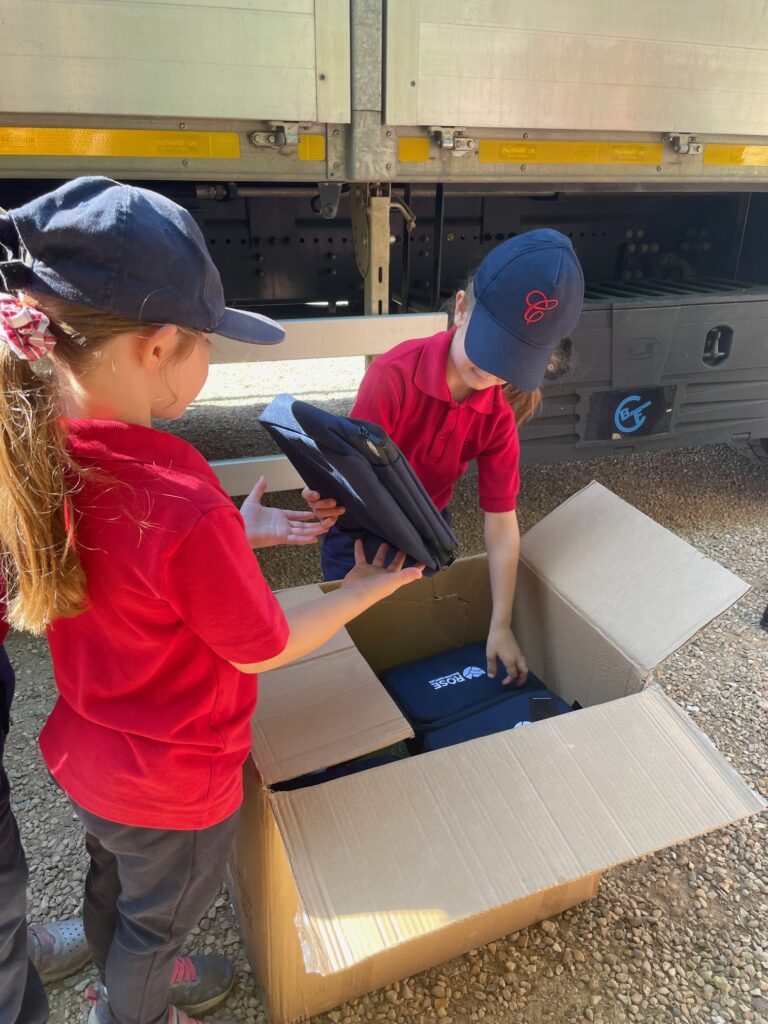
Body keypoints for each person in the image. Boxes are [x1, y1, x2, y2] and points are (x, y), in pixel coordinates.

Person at [0, 176, 422, 1024]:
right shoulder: (180, 493)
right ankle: (134, 1011)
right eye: (207, 347)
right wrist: (362, 590)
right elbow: (261, 644)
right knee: (156, 933)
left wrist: (237, 534)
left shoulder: (40, 448)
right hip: (174, 786)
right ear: (158, 350)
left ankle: (110, 980)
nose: (207, 365)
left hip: (88, 763)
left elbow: (127, 565)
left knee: (111, 884)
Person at [318, 229, 584, 685]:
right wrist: (327, 494)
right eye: (489, 347)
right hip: (362, 527)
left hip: (425, 525)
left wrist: (499, 624)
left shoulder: (497, 416)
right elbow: (354, 475)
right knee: (353, 642)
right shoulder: (392, 376)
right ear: (460, 308)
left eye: (510, 362)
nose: (491, 370)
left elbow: (501, 524)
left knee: (415, 637)